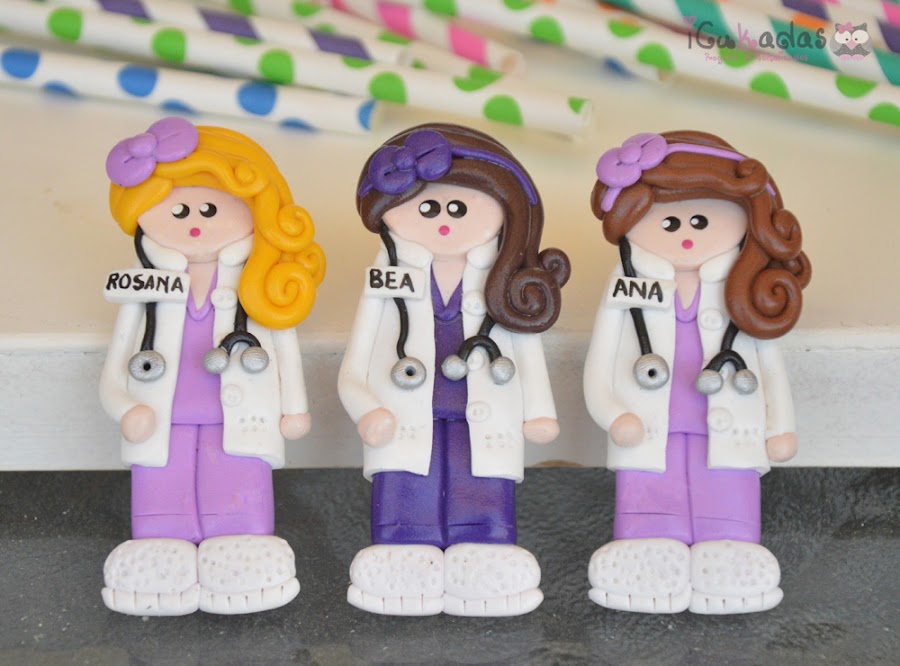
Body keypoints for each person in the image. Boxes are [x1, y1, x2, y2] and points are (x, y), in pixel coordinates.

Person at [339, 123, 570, 616]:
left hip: (482, 413)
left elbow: (526, 350)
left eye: (460, 207)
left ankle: (484, 554)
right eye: (427, 208)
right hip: (404, 413)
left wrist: (539, 411)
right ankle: (403, 555)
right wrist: (364, 408)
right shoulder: (386, 277)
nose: (444, 219)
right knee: (407, 483)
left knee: (479, 481)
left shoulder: (508, 279)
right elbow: (356, 359)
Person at [100, 117, 324, 616]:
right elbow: (117, 361)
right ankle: (160, 559)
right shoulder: (143, 288)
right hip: (162, 417)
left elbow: (283, 345)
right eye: (178, 210)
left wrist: (294, 407)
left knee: (236, 483)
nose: (195, 222)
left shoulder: (261, 282)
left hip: (240, 415)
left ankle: (242, 558)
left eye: (210, 208)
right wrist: (122, 407)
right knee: (162, 486)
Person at [584, 131, 811, 614]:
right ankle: (645, 559)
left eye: (702, 220)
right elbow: (601, 357)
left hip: (729, 424)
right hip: (648, 426)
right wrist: (610, 412)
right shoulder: (626, 280)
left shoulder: (749, 285)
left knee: (725, 494)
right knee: (649, 495)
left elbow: (768, 362)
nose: (685, 233)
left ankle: (731, 562)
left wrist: (780, 426)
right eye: (667, 220)